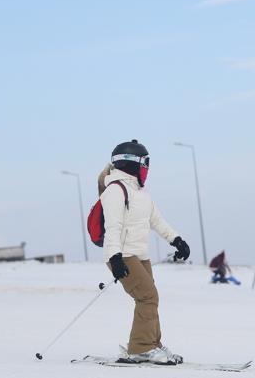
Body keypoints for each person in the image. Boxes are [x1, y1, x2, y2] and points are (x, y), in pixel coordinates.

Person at [101, 139, 191, 365]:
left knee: (150, 299)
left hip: (140, 256)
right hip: (123, 256)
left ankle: (152, 344)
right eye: (145, 164)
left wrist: (177, 240)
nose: (147, 169)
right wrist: (115, 257)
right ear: (131, 164)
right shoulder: (115, 190)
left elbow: (157, 221)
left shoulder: (141, 192)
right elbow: (112, 227)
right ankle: (141, 348)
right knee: (147, 297)